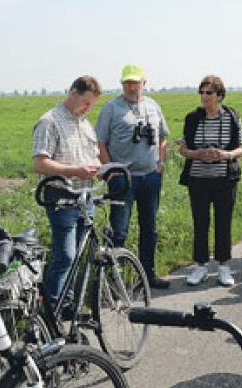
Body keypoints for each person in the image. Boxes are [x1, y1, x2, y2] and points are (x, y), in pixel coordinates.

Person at [96, 64, 171, 289]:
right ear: (122, 84)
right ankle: (112, 282)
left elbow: (163, 137)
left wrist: (161, 163)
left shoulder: (153, 105)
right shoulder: (112, 108)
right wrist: (110, 170)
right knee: (119, 231)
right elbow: (100, 142)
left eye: (135, 83)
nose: (131, 87)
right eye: (127, 83)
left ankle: (147, 275)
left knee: (150, 229)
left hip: (150, 177)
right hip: (123, 179)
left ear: (143, 83)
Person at [32, 76, 102, 310]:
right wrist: (75, 171)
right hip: (61, 197)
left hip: (85, 196)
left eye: (92, 105)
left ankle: (68, 305)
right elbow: (40, 163)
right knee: (66, 257)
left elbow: (93, 155)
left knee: (79, 256)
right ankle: (51, 310)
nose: (88, 108)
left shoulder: (84, 123)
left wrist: (99, 168)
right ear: (73, 93)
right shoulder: (49, 122)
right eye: (86, 102)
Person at [178, 75, 242, 287]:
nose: (204, 96)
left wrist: (225, 155)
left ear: (220, 96)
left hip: (224, 179)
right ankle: (200, 266)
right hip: (198, 179)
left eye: (209, 92)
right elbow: (183, 149)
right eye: (201, 92)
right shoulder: (192, 118)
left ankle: (223, 266)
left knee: (223, 222)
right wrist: (196, 154)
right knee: (200, 223)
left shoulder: (232, 117)